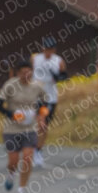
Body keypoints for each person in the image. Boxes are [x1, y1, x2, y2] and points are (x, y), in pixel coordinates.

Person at [0, 60, 48, 193]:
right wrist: (11, 115)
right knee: (13, 161)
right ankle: (11, 174)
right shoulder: (10, 85)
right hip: (12, 129)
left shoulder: (37, 86)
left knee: (27, 157)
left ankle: (22, 190)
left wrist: (41, 116)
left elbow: (45, 102)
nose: (26, 75)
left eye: (29, 72)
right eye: (23, 72)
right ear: (18, 73)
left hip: (29, 128)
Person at [31, 36, 67, 168]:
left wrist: (57, 76)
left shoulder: (58, 61)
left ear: (54, 50)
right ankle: (32, 150)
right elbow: (26, 72)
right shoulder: (35, 58)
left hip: (50, 98)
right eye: (46, 49)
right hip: (36, 97)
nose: (48, 52)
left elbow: (64, 75)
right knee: (39, 123)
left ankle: (38, 151)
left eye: (50, 49)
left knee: (44, 125)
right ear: (43, 48)